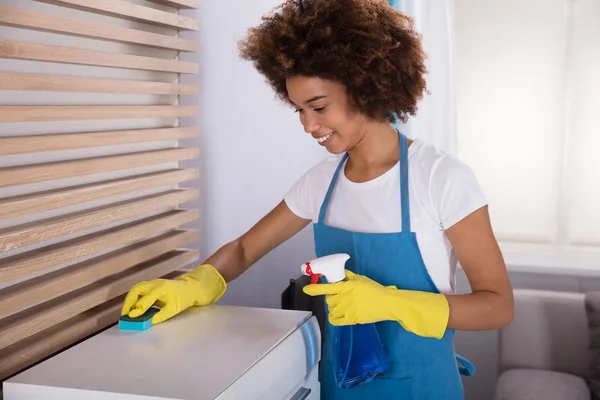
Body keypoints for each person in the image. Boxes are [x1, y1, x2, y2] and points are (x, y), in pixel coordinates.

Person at [121, 0, 514, 398]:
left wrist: (391, 304)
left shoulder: (440, 178)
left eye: (319, 107)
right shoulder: (321, 184)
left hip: (421, 387)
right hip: (337, 385)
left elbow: (498, 306)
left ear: (365, 87)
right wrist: (193, 285)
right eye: (299, 110)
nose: (309, 125)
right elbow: (242, 249)